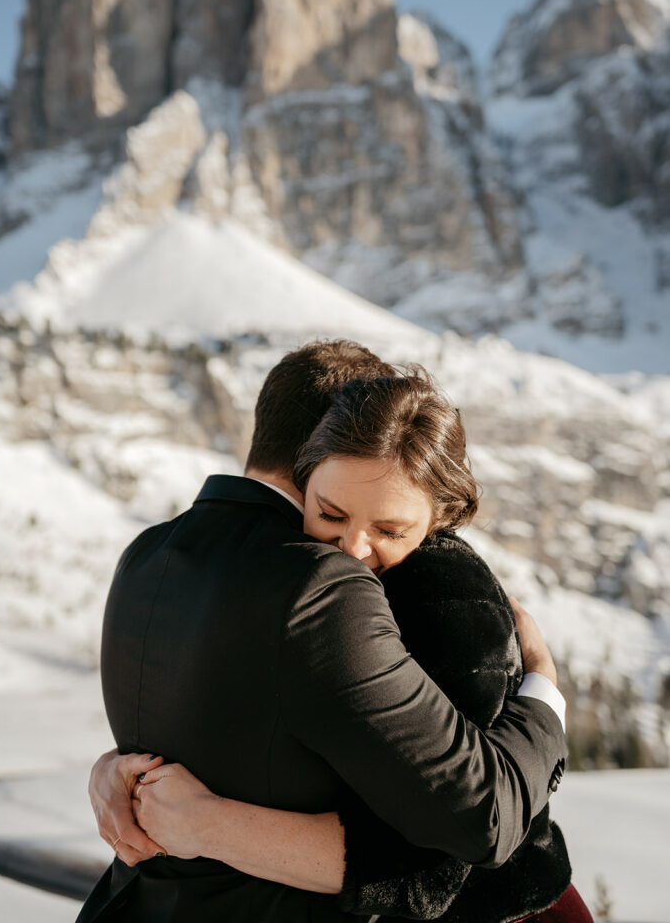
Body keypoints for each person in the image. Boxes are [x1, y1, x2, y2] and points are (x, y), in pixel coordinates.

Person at [79, 340, 570, 923]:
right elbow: (479, 817)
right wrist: (543, 688)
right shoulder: (325, 584)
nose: (356, 548)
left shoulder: (145, 554)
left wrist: (113, 774)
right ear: (332, 438)